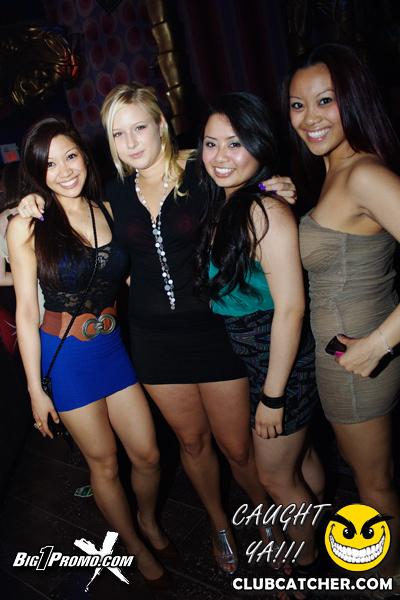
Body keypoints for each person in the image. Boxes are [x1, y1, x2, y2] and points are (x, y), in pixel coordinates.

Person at [19, 83, 297, 574]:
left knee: (238, 448)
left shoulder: (201, 172)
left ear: (162, 125)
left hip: (212, 332)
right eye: (117, 133)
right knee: (191, 444)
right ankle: (219, 524)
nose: (130, 142)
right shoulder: (112, 194)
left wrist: (271, 188)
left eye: (139, 128)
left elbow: (242, 182)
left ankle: (266, 522)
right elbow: (71, 235)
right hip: (151, 342)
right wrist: (24, 205)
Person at [8, 114, 174, 590]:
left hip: (113, 348)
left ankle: (146, 520)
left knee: (148, 455)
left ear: (85, 155)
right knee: (103, 463)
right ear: (37, 172)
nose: (64, 170)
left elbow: (129, 272)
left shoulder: (108, 208)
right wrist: (35, 390)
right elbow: (25, 312)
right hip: (67, 358)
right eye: (49, 164)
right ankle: (135, 545)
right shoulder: (28, 225)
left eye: (70, 156)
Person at [193, 92, 325, 594]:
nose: (221, 156)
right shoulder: (232, 202)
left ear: (259, 144)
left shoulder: (265, 210)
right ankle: (316, 531)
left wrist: (272, 396)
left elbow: (291, 309)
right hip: (260, 361)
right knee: (299, 461)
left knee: (275, 479)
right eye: (210, 144)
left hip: (282, 366)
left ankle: (305, 566)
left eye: (235, 143)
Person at [282, 42, 400, 592]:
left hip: (359, 366)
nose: (310, 117)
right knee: (369, 481)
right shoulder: (334, 171)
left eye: (325, 100)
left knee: (373, 487)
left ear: (352, 99)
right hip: (342, 364)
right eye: (297, 104)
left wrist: (379, 342)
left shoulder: (363, 173)